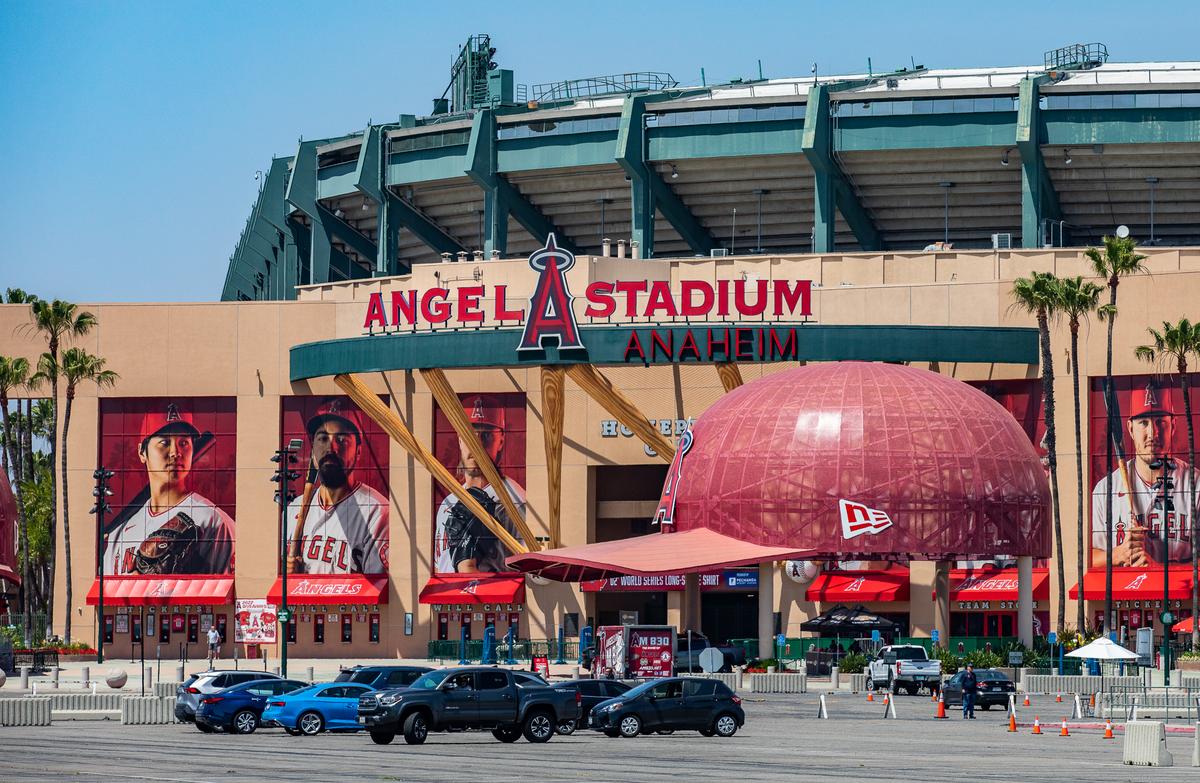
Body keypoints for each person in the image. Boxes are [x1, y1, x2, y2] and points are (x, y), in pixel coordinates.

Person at [102, 404, 234, 575]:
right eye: (164, 442)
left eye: (184, 443)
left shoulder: (212, 520)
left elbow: (227, 592)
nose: (175, 452)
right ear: (142, 452)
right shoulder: (118, 534)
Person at [1091, 384, 1199, 568]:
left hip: (1179, 596)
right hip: (1123, 595)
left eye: (1160, 422)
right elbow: (1087, 557)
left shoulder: (1195, 485)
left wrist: (1160, 573)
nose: (1152, 433)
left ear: (1172, 426)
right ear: (1130, 429)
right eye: (1144, 422)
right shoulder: (1105, 489)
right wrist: (1117, 554)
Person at [286, 399, 389, 574]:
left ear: (358, 451)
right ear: (312, 450)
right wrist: (288, 577)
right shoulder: (293, 509)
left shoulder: (377, 512)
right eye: (323, 438)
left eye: (342, 439)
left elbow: (379, 591)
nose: (331, 447)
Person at [433, 395, 526, 573]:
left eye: (486, 435)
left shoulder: (516, 501)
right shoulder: (448, 503)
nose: (477, 444)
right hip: (446, 598)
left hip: (490, 599)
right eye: (470, 436)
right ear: (460, 440)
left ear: (501, 441)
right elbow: (439, 567)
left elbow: (528, 574)